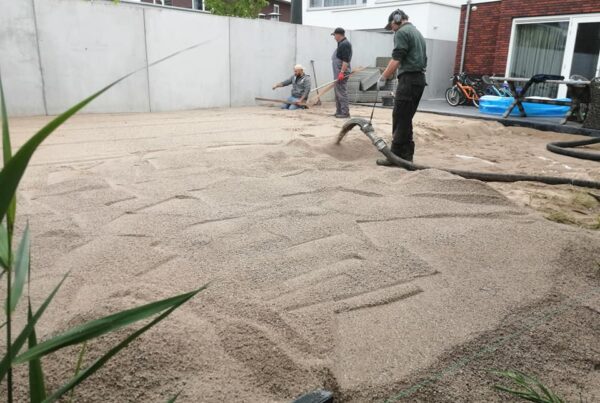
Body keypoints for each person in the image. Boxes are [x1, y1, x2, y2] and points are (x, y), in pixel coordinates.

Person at [377, 10, 427, 165]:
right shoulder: (416, 32)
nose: (392, 29)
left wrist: (383, 76)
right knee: (406, 118)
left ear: (396, 20)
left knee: (399, 117)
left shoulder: (401, 32)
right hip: (419, 79)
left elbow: (397, 58)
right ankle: (406, 155)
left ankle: (395, 156)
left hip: (409, 80)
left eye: (391, 25)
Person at [331, 27, 352, 118]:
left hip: (341, 73)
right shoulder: (341, 44)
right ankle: (339, 111)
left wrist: (342, 72)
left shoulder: (345, 44)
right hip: (338, 72)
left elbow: (345, 60)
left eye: (334, 35)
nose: (334, 37)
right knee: (337, 92)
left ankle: (345, 113)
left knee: (342, 92)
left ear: (339, 35)